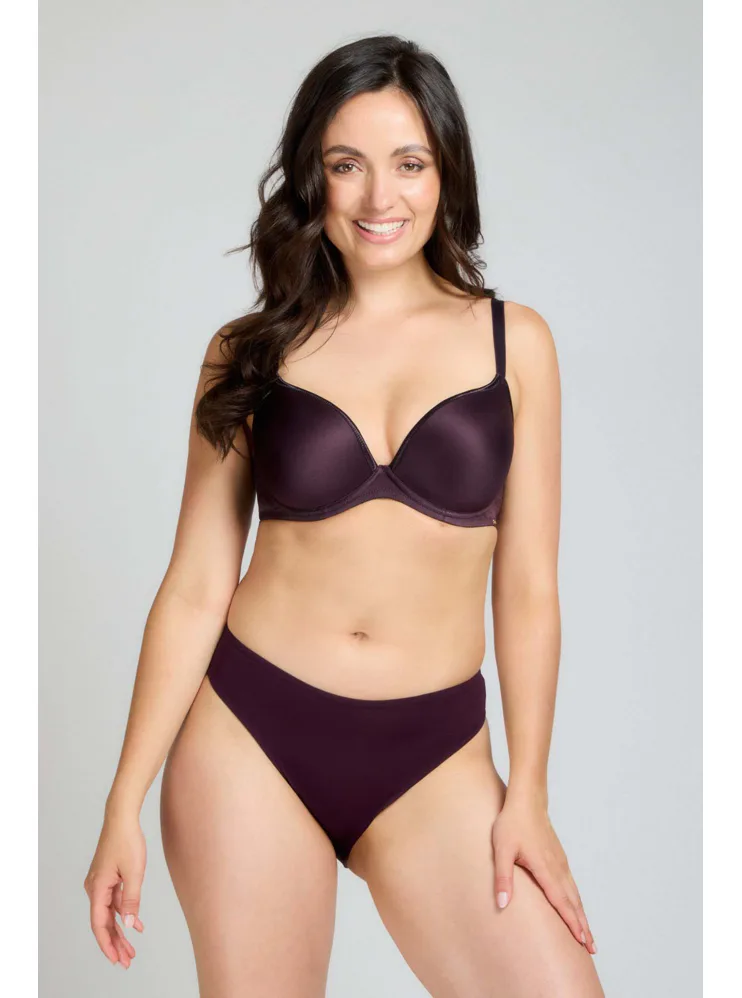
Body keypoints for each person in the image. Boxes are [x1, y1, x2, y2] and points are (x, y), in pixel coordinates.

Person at [84, 34, 605, 997]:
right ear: (310, 177)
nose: (378, 197)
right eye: (346, 164)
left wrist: (528, 791)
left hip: (435, 756)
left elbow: (529, 589)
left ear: (445, 173)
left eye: (409, 164)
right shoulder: (247, 350)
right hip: (250, 734)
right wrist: (124, 798)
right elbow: (196, 585)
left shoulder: (515, 344)